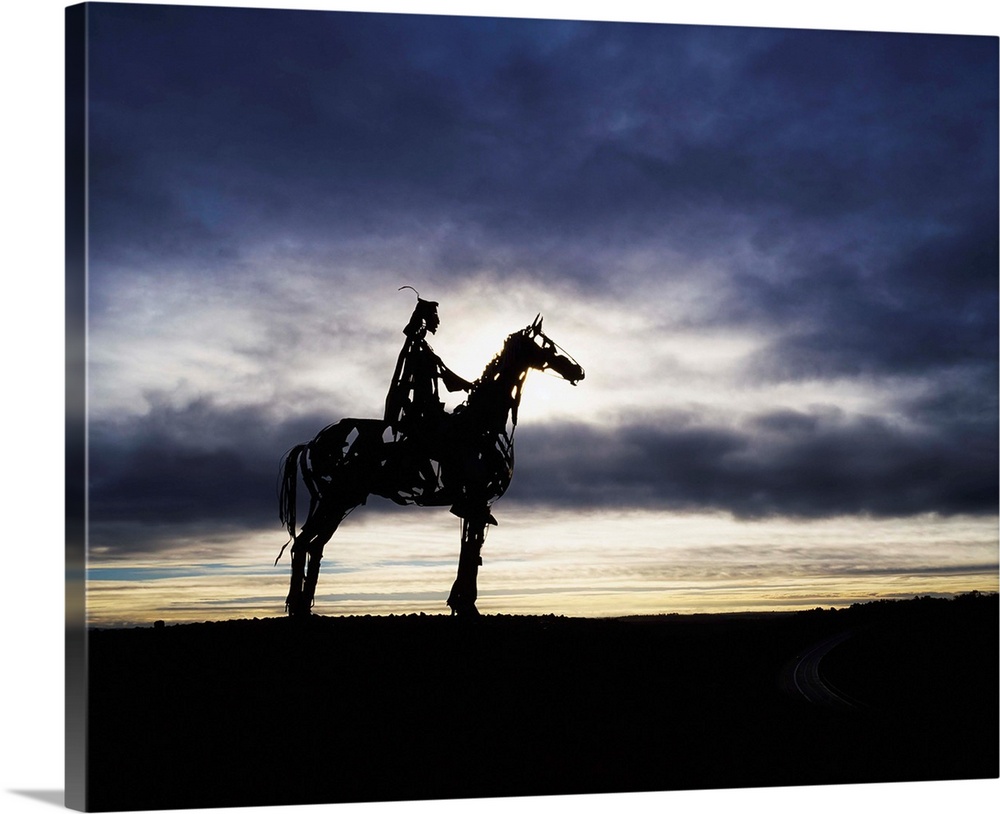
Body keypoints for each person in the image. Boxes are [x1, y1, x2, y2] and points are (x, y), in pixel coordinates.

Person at [384, 292, 472, 442]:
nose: (437, 321)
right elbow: (425, 375)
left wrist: (463, 383)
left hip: (428, 400)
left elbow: (441, 369)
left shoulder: (423, 348)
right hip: (423, 403)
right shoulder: (417, 350)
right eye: (434, 316)